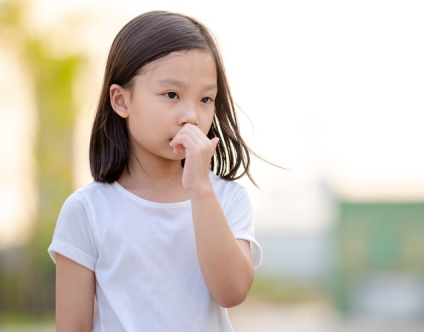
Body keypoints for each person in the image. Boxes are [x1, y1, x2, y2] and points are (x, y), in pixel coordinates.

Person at [47, 10, 263, 332]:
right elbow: (73, 327)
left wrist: (200, 189)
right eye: (172, 95)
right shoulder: (87, 210)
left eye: (206, 99)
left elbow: (232, 292)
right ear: (121, 101)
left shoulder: (226, 198)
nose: (191, 115)